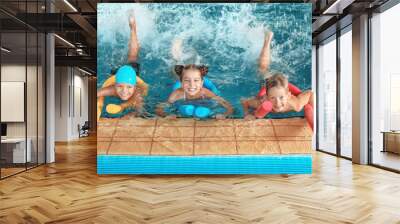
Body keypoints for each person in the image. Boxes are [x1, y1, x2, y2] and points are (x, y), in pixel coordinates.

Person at [241, 31, 314, 130]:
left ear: (288, 95)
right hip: (268, 82)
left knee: (263, 69)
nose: (277, 103)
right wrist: (246, 114)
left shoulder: (296, 105)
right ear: (267, 97)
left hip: (279, 85)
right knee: (263, 70)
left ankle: (267, 40)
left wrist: (313, 109)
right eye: (272, 98)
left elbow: (310, 93)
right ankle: (267, 40)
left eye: (281, 97)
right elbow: (244, 101)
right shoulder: (261, 103)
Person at [97, 14, 148, 120]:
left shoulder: (137, 94)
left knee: (133, 56)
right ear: (115, 85)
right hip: (118, 75)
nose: (124, 91)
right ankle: (132, 28)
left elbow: (141, 112)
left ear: (134, 87)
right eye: (120, 86)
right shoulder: (111, 90)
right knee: (131, 56)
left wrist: (130, 114)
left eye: (129, 87)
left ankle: (133, 27)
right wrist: (98, 105)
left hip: (131, 72)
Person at [156, 64, 233, 119]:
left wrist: (224, 115)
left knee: (201, 111)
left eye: (196, 80)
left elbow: (227, 105)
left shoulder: (204, 92)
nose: (192, 85)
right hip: (181, 93)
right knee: (174, 72)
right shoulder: (177, 94)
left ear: (202, 83)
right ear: (181, 83)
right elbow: (160, 108)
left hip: (202, 99)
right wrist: (166, 116)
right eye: (187, 80)